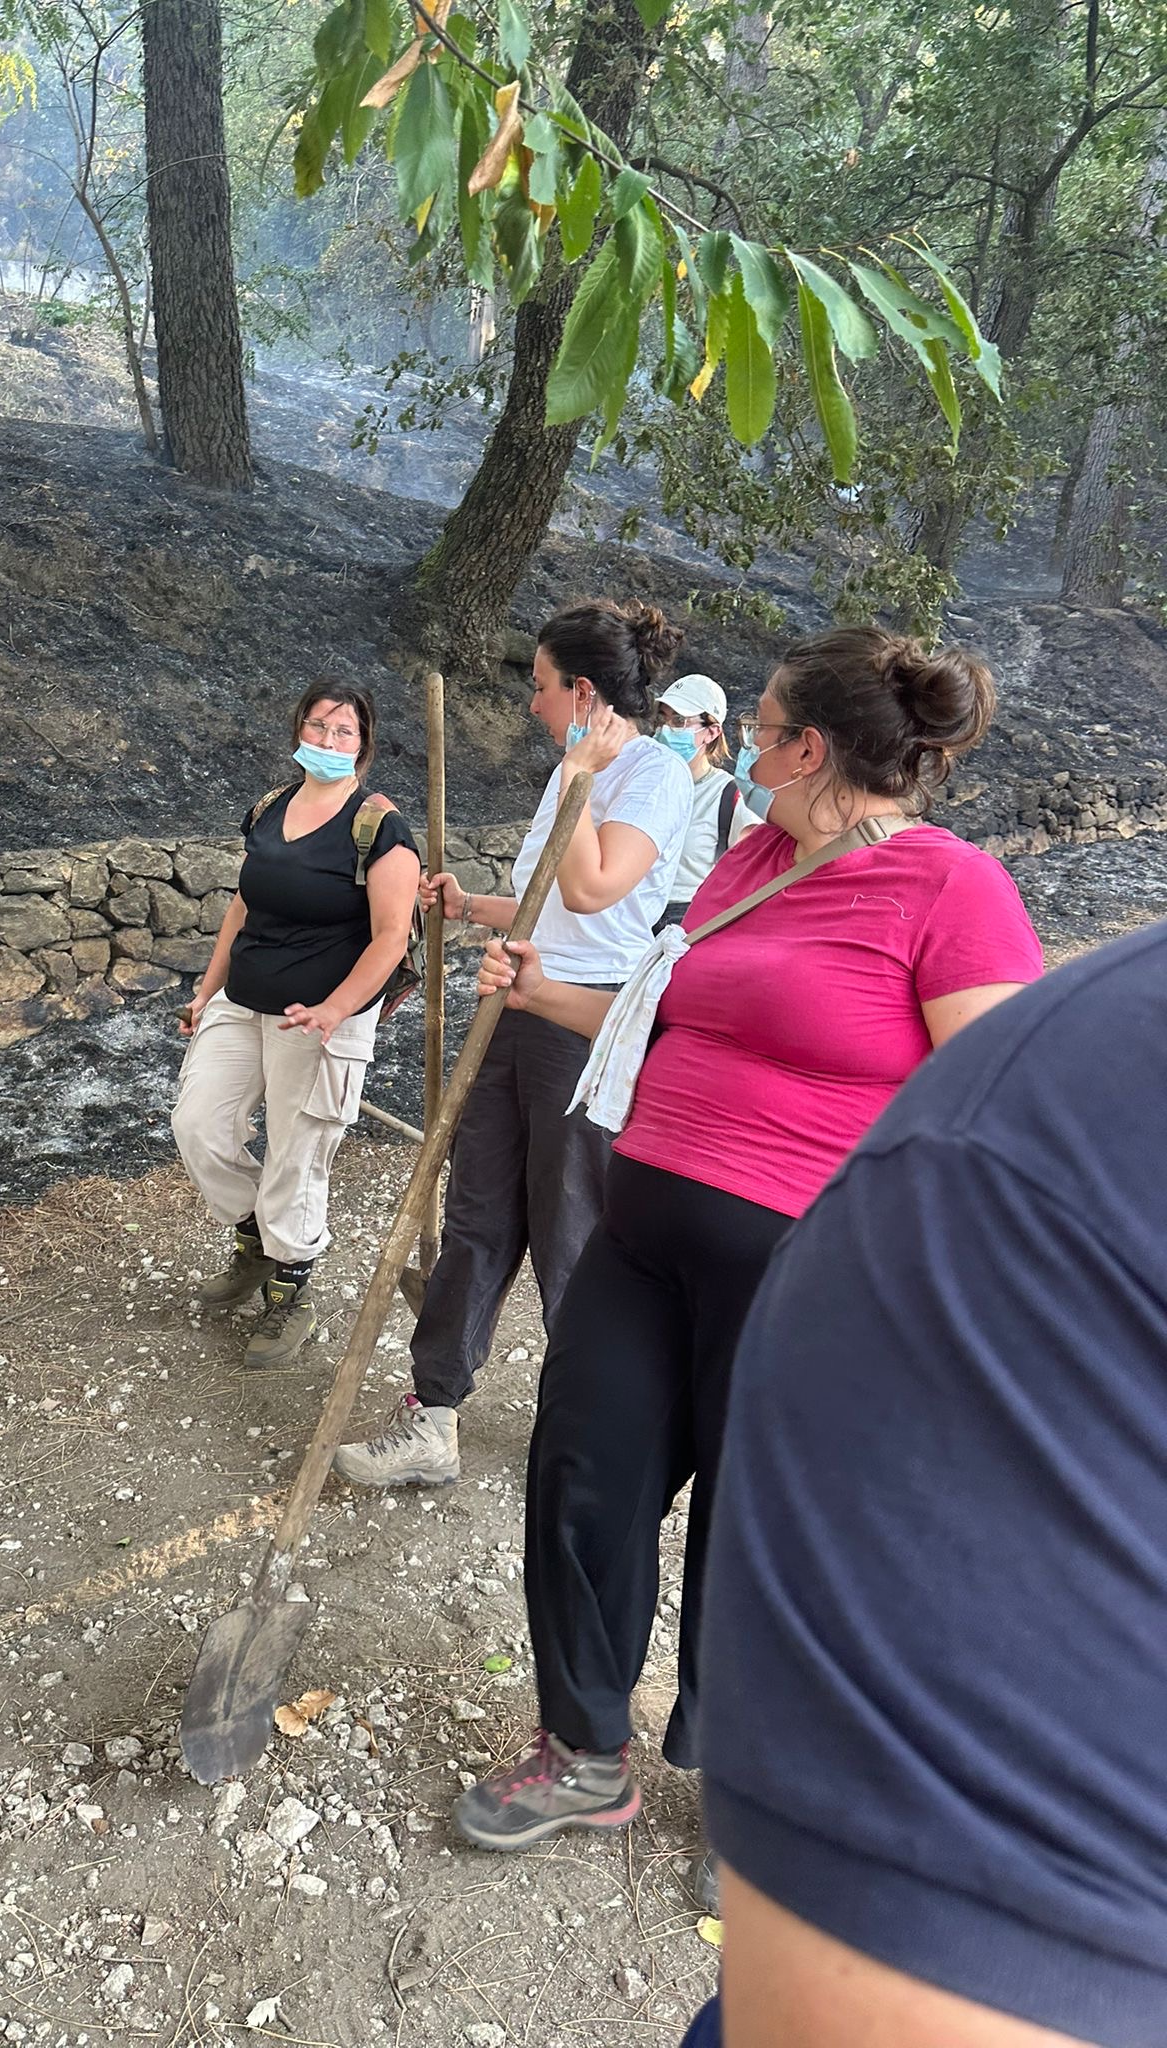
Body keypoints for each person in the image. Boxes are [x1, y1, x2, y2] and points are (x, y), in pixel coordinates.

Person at [449, 623, 1045, 1863]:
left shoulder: (952, 889)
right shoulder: (751, 858)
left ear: (808, 748)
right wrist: (543, 990)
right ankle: (584, 1750)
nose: (728, 748)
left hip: (806, 1274)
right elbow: (667, 1015)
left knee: (763, 1531)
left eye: (758, 729)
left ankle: (755, 1792)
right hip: (641, 1237)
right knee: (582, 1471)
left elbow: (1004, 1115)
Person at [680, 918, 1167, 2048]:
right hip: (683, 1212)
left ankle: (717, 1773)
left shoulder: (954, 904)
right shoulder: (1028, 1167)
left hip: (792, 1225)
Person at [333, 598, 694, 1490]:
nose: (532, 703)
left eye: (541, 686)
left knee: (572, 1228)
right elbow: (549, 902)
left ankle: (590, 1428)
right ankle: (434, 1415)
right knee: (477, 1213)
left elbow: (597, 890)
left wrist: (578, 776)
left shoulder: (651, 774)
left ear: (582, 693)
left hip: (581, 1020)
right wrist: (470, 907)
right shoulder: (573, 771)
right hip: (513, 1001)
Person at [171, 682, 420, 1369]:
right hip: (242, 1000)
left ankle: (290, 1287)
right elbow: (242, 907)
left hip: (319, 1020)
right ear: (298, 731)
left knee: (296, 1152)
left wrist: (335, 1009)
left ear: (363, 745)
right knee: (199, 1125)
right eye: (317, 727)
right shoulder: (271, 807)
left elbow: (390, 938)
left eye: (344, 732)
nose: (328, 741)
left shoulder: (380, 829)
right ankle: (258, 1237)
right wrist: (207, 989)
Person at [653, 672, 764, 929]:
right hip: (631, 917)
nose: (666, 729)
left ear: (711, 732)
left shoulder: (728, 795)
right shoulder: (645, 783)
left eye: (678, 721)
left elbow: (753, 874)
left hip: (684, 923)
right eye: (662, 719)